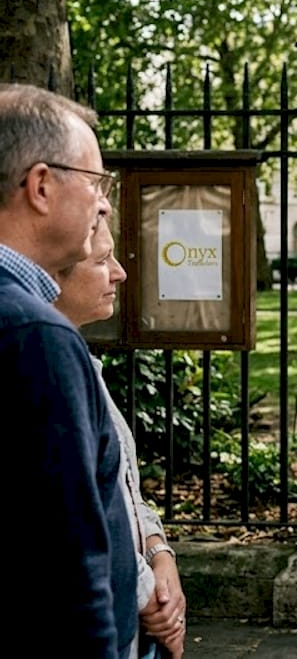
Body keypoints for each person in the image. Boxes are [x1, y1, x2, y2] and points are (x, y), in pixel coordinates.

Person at [0, 83, 134, 656]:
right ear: (41, 186)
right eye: (96, 183)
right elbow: (67, 560)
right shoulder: (35, 334)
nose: (103, 204)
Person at [54, 219, 189, 658]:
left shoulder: (85, 363)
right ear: (55, 276)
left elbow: (123, 491)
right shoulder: (50, 367)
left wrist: (159, 550)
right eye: (101, 260)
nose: (120, 272)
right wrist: (148, 589)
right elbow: (75, 512)